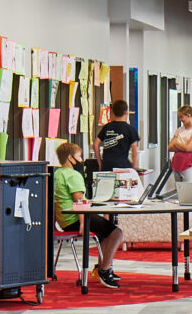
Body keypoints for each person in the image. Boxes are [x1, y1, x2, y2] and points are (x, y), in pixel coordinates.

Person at [49, 140, 122, 288]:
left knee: (105, 231)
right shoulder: (73, 175)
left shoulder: (57, 174)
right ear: (71, 158)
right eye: (79, 156)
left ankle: (101, 267)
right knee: (117, 233)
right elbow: (80, 202)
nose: (81, 160)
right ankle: (105, 270)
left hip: (63, 221)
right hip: (75, 219)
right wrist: (83, 223)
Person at [96, 101, 140, 176]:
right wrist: (133, 167)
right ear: (126, 112)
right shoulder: (130, 129)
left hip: (107, 165)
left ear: (113, 112)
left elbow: (95, 144)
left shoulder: (107, 127)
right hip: (122, 166)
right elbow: (134, 151)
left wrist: (100, 163)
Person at [168, 105, 192, 180]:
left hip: (188, 164)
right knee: (179, 189)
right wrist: (184, 146)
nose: (180, 119)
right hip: (177, 163)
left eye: (181, 117)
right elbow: (170, 147)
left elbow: (189, 148)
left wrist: (176, 144)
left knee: (188, 189)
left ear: (188, 116)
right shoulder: (179, 130)